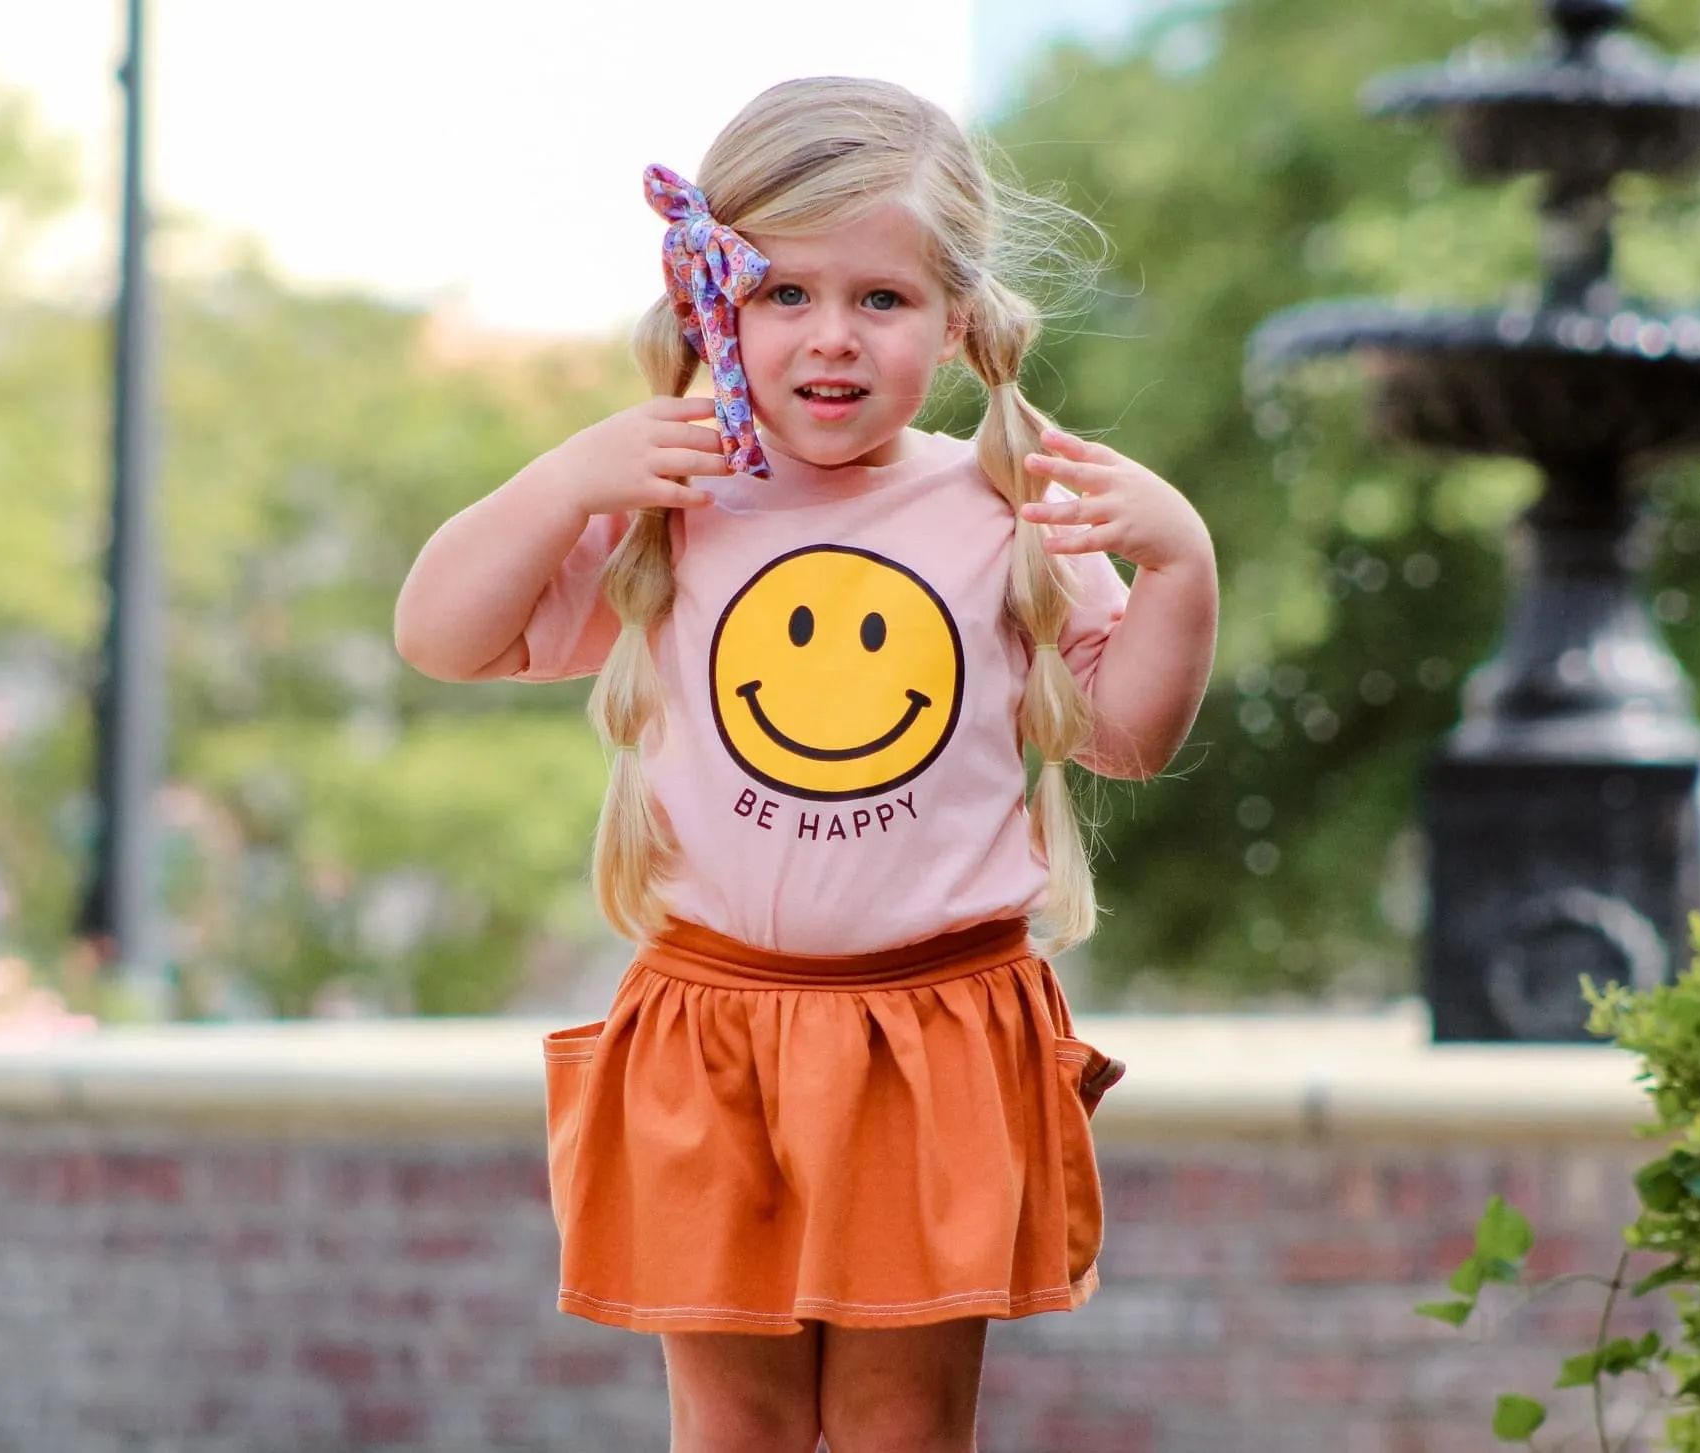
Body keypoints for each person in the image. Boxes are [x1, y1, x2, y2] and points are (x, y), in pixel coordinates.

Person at [394, 76, 1218, 1453]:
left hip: (930, 1034)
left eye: (880, 300)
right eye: (784, 294)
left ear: (956, 319)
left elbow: (1131, 739)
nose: (830, 337)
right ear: (719, 305)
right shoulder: (678, 496)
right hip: (715, 1035)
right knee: (734, 1431)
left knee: (904, 1431)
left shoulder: (999, 509)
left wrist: (1180, 562)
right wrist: (563, 480)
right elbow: (440, 636)